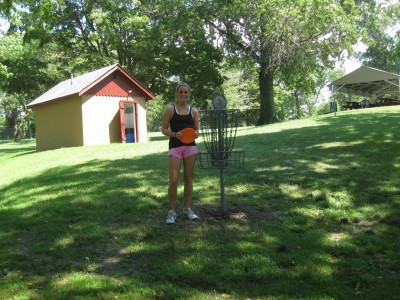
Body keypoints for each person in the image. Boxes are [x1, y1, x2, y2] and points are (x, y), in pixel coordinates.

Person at [162, 83, 200, 224]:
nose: (183, 95)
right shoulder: (170, 109)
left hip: (190, 148)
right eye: (181, 92)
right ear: (177, 93)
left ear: (189, 94)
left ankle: (188, 209)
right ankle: (172, 212)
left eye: (186, 92)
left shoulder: (194, 111)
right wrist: (174, 134)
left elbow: (197, 130)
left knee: (189, 178)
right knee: (173, 179)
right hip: (175, 147)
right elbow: (164, 129)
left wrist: (196, 134)